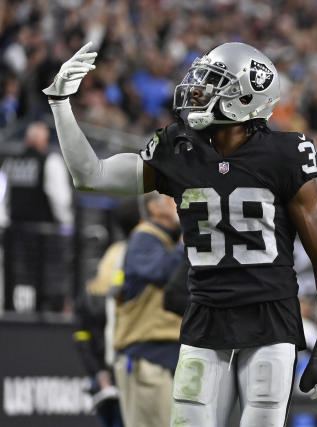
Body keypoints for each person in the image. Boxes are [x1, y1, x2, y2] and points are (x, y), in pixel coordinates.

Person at [43, 41, 317, 426]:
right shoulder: (178, 146)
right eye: (200, 79)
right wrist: (60, 104)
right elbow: (92, 176)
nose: (197, 90)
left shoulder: (285, 152)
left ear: (247, 95)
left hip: (269, 315)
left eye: (214, 82)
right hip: (205, 314)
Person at [112, 192, 184, 427]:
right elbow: (163, 273)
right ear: (154, 207)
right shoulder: (144, 237)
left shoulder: (166, 240)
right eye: (172, 199)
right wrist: (187, 242)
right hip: (147, 357)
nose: (179, 203)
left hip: (169, 356)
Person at [72, 197, 140, 427]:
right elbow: (83, 335)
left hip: (108, 370)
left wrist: (99, 373)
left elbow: (83, 336)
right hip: (122, 370)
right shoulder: (131, 257)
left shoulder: (114, 256)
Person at [1, 121, 74, 312]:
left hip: (16, 235)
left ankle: (17, 312)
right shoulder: (50, 161)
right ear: (43, 140)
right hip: (45, 237)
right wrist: (66, 224)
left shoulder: (10, 162)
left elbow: (4, 200)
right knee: (45, 283)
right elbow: (59, 199)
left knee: (18, 279)